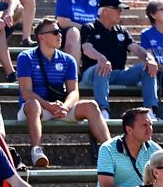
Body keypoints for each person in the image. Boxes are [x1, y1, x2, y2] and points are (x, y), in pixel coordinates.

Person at [18, 17, 110, 167]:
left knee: (91, 106)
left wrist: (65, 107)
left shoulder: (68, 60)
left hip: (59, 107)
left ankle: (110, 151)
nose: (60, 35)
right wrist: (49, 106)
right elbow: (26, 92)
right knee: (33, 104)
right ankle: (37, 151)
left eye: (60, 31)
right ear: (41, 37)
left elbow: (74, 91)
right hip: (35, 109)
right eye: (55, 32)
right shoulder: (26, 57)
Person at [81, 0, 159, 117]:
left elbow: (136, 48)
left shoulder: (121, 30)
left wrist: (150, 59)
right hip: (93, 73)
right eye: (118, 9)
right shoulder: (89, 28)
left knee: (148, 67)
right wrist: (101, 58)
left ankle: (150, 111)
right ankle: (103, 111)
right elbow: (86, 48)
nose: (121, 12)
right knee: (102, 67)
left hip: (118, 73)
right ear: (105, 10)